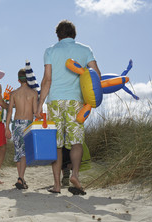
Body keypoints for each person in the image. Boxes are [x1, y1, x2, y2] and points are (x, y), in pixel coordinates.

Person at [36, 20, 101, 195]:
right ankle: (75, 176)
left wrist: (40, 104)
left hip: (55, 101)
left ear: (58, 36)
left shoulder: (50, 51)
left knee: (56, 144)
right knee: (76, 142)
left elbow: (47, 80)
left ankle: (57, 185)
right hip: (76, 102)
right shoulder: (85, 50)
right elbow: (96, 75)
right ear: (74, 34)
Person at [5, 68, 38, 189]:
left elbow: (9, 112)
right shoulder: (33, 93)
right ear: (29, 79)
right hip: (27, 125)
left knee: (18, 152)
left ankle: (21, 179)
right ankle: (21, 178)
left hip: (16, 124)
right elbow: (35, 112)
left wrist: (7, 127)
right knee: (24, 153)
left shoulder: (13, 93)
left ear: (18, 80)